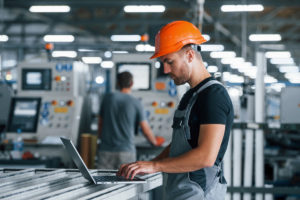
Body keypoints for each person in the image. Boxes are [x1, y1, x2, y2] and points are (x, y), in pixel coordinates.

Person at [117, 21, 234, 200]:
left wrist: (155, 166)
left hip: (199, 194)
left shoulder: (214, 95)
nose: (165, 70)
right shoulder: (190, 96)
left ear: (189, 55)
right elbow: (179, 145)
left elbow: (206, 157)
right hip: (180, 192)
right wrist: (146, 165)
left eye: (169, 62)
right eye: (163, 62)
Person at [97, 71, 158, 169]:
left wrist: (102, 141)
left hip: (105, 150)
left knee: (103, 182)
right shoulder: (136, 102)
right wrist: (154, 142)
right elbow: (145, 130)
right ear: (132, 84)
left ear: (117, 83)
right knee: (126, 182)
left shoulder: (107, 98)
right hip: (126, 151)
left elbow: (100, 123)